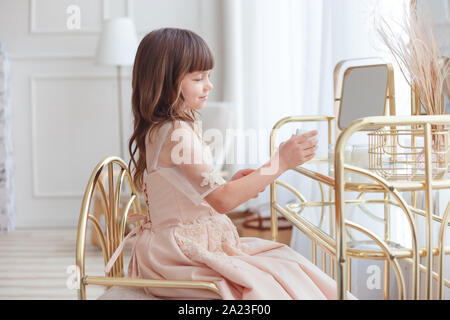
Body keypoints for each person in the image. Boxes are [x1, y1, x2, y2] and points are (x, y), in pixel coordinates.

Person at [105, 27, 356, 300]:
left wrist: (234, 183)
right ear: (167, 83)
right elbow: (223, 202)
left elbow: (189, 191)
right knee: (274, 276)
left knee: (284, 263)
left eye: (208, 76)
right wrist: (280, 163)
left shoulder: (167, 127)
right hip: (177, 257)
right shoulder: (176, 132)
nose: (209, 85)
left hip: (177, 247)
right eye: (198, 78)